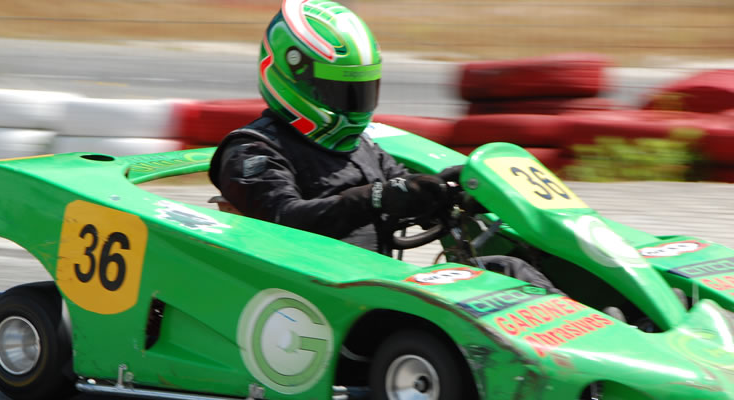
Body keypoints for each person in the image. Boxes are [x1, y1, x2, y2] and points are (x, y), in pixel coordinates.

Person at [209, 0, 562, 294]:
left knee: (509, 270)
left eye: (360, 92)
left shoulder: (357, 145)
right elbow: (283, 221)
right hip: (317, 298)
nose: (352, 105)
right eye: (338, 92)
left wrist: (449, 190)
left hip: (383, 289)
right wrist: (373, 198)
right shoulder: (252, 151)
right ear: (292, 77)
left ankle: (586, 338)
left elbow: (402, 190)